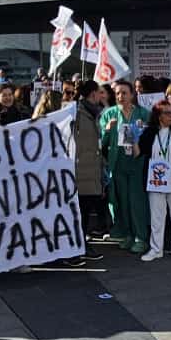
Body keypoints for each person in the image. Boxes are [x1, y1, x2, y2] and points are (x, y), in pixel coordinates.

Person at [99, 80, 150, 253]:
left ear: (132, 95)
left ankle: (141, 237)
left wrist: (141, 135)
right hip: (118, 163)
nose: (120, 96)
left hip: (137, 163)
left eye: (124, 93)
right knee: (123, 200)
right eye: (118, 93)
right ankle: (128, 234)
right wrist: (107, 130)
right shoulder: (110, 114)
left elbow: (151, 138)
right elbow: (102, 143)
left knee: (137, 201)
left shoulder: (143, 113)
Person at [137, 101, 171, 262]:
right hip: (156, 182)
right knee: (157, 218)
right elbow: (137, 153)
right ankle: (156, 249)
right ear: (159, 116)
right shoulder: (149, 133)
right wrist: (134, 140)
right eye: (167, 113)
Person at [72, 81, 108, 242]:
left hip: (92, 170)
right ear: (93, 94)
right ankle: (79, 246)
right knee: (81, 212)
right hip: (81, 171)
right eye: (99, 92)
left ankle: (81, 245)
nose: (102, 95)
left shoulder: (94, 113)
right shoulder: (77, 113)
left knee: (85, 211)